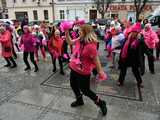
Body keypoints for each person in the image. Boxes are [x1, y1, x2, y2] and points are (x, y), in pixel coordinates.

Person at [65, 24, 107, 116]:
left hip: (83, 72)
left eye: (81, 30)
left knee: (85, 90)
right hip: (74, 68)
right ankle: (79, 100)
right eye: (79, 30)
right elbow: (70, 42)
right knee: (73, 85)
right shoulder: (80, 40)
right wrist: (66, 32)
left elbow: (96, 60)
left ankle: (101, 103)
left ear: (86, 32)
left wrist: (100, 72)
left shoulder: (91, 46)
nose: (79, 32)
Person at [117, 23, 144, 88]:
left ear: (137, 33)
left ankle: (139, 82)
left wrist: (150, 55)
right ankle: (120, 81)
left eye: (135, 32)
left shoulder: (139, 41)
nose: (133, 33)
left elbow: (145, 49)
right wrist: (116, 47)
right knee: (123, 70)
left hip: (134, 59)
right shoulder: (127, 38)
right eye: (133, 32)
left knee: (135, 71)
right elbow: (123, 46)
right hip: (126, 57)